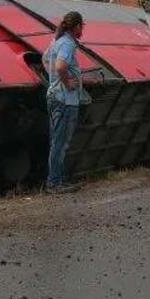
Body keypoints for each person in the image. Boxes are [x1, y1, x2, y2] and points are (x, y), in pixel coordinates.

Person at [44, 11, 85, 193]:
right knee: (60, 142)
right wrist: (67, 81)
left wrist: (54, 80)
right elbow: (60, 66)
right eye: (81, 26)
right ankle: (55, 182)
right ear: (76, 26)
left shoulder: (56, 41)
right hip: (64, 100)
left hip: (55, 96)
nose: (82, 29)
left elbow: (45, 59)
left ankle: (57, 179)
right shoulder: (67, 43)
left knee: (57, 141)